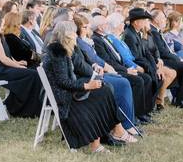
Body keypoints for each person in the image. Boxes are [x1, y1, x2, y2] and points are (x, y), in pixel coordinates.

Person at [42, 21, 136, 153]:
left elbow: (79, 67)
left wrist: (91, 78)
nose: (76, 35)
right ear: (67, 35)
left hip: (69, 92)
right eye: (74, 32)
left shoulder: (65, 48)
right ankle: (96, 145)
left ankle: (117, 131)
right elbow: (63, 82)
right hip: (65, 97)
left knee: (105, 90)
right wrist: (87, 85)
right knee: (99, 97)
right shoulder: (58, 52)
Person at [72, 14, 141, 133]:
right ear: (77, 29)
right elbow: (89, 62)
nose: (89, 29)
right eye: (85, 27)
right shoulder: (79, 42)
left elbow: (93, 60)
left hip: (96, 72)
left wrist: (99, 67)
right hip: (89, 78)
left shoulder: (85, 41)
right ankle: (126, 123)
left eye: (88, 26)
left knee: (123, 81)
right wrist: (102, 68)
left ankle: (129, 121)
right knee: (123, 82)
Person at [91, 14, 155, 124]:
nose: (108, 25)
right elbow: (107, 61)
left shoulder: (105, 37)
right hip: (112, 71)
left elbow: (117, 57)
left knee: (146, 78)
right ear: (100, 27)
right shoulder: (96, 40)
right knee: (138, 80)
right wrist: (126, 70)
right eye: (106, 24)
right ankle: (135, 115)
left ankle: (142, 112)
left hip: (119, 67)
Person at [0, 8, 44, 117]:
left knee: (32, 73)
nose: (4, 21)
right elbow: (2, 59)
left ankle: (22, 105)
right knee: (32, 74)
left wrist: (18, 63)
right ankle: (21, 108)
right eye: (3, 19)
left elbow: (7, 55)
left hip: (3, 68)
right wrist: (18, 67)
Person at [123, 8, 176, 111]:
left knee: (159, 77)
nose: (145, 22)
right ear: (136, 22)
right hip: (137, 65)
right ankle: (145, 109)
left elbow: (146, 52)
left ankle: (149, 107)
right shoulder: (129, 34)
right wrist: (151, 67)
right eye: (143, 20)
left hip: (145, 63)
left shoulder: (137, 32)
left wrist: (155, 64)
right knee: (153, 78)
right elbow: (136, 57)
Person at [148, 9, 183, 106]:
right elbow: (162, 52)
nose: (165, 20)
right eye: (163, 18)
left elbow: (166, 50)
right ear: (156, 20)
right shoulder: (153, 32)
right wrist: (177, 58)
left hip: (166, 59)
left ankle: (180, 99)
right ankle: (180, 100)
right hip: (163, 61)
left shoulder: (156, 31)